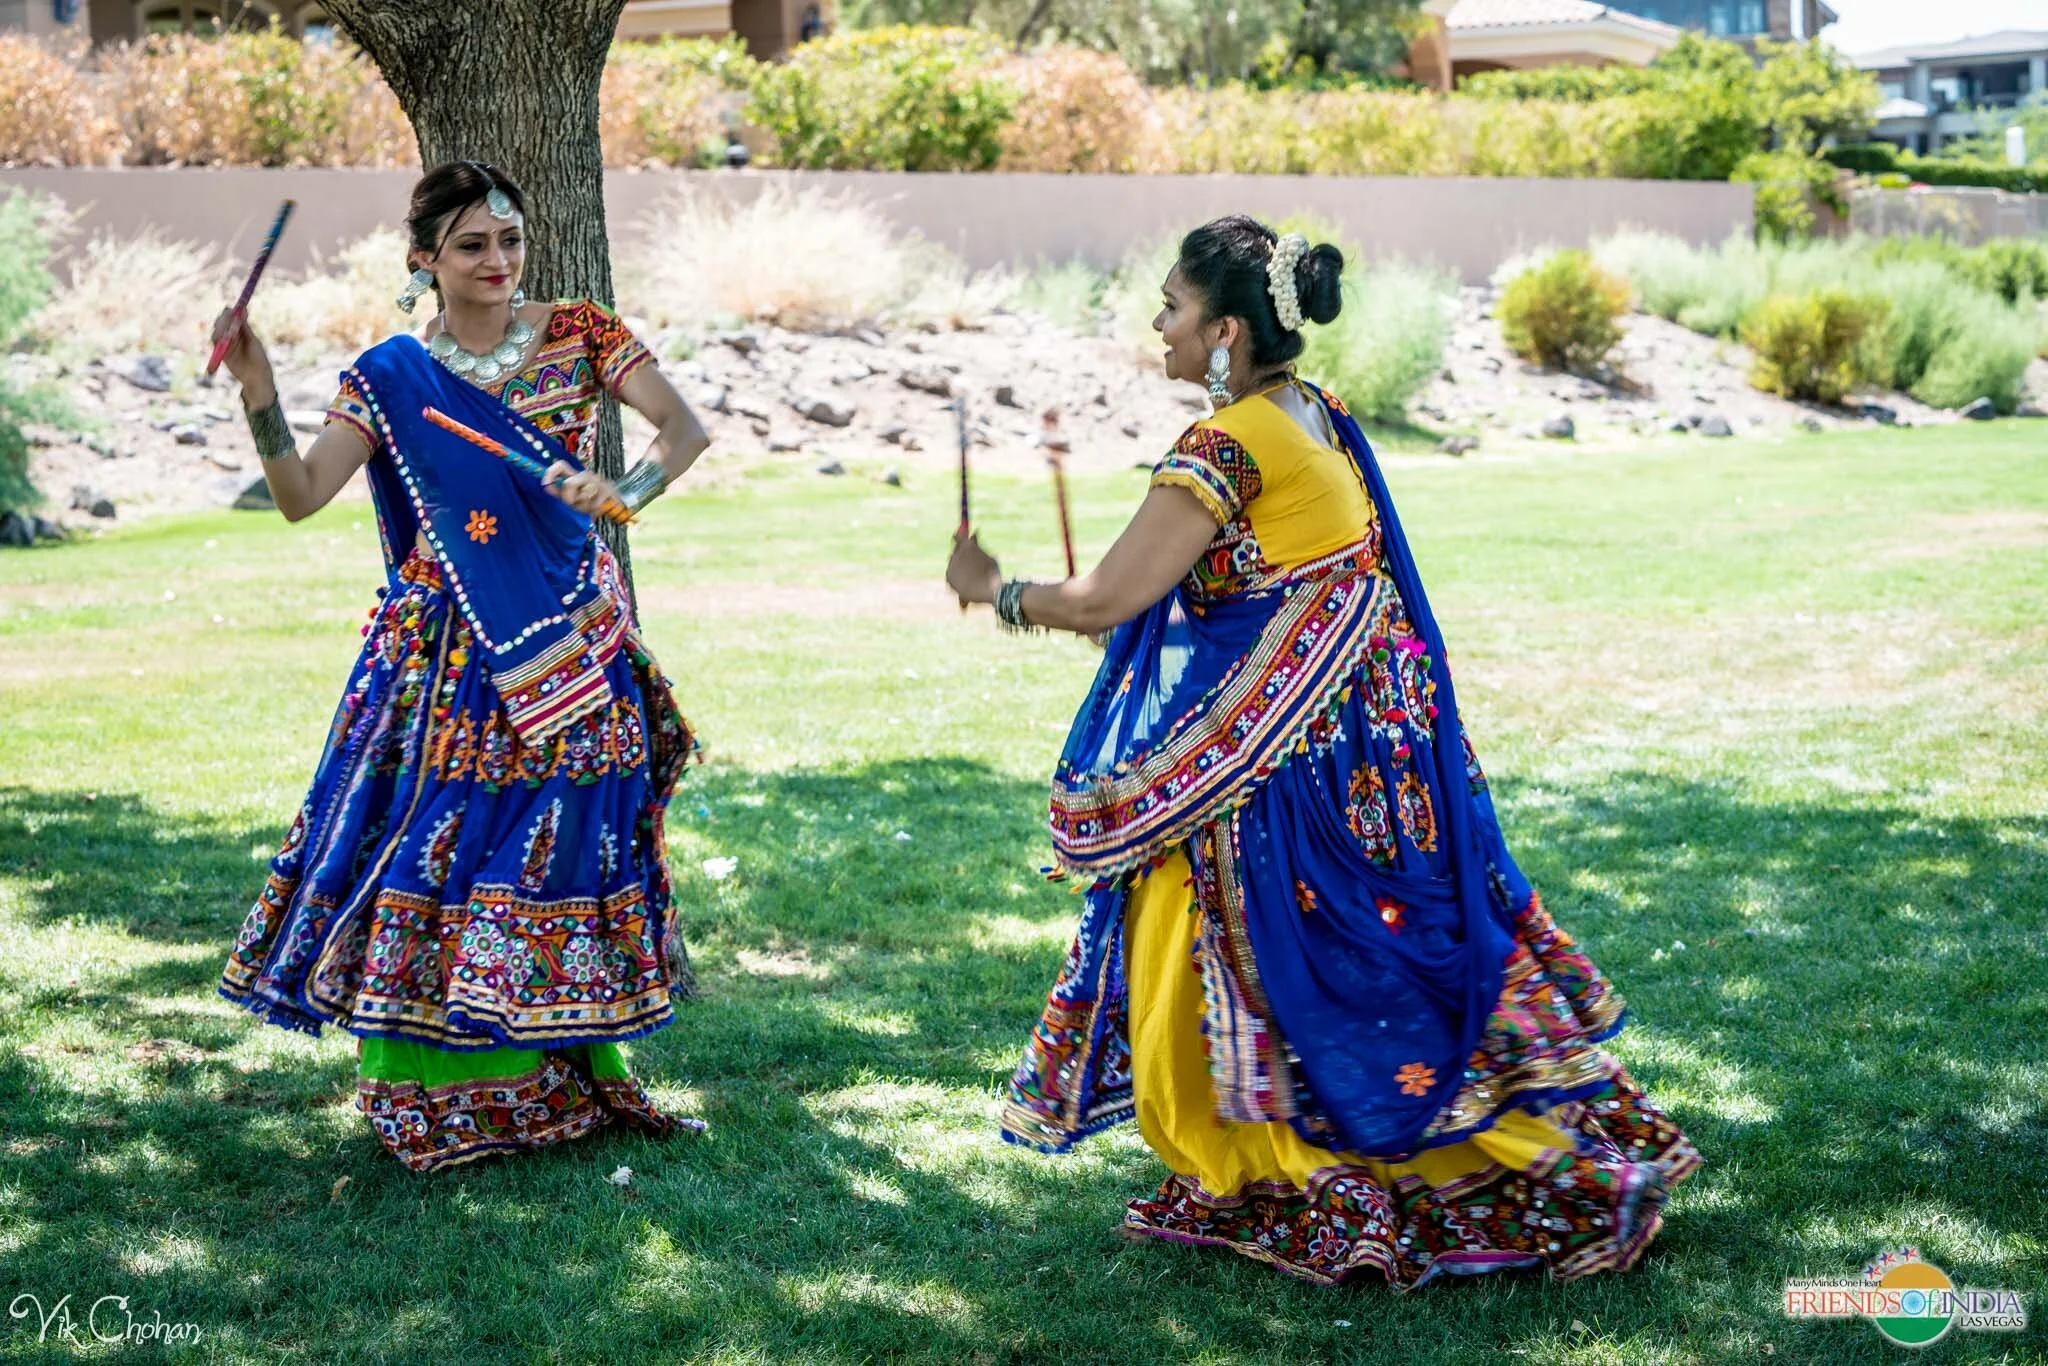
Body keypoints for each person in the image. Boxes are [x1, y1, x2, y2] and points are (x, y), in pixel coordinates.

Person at [946, 215, 1698, 1288]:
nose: (1158, 325)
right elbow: (1259, 594)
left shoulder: (1227, 445)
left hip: (1280, 771)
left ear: (1225, 331)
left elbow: (1109, 598)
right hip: (1353, 749)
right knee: (1351, 953)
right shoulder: (1313, 413)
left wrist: (994, 589)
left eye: (1172, 306)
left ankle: (1315, 1163)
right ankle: (1398, 1145)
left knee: (1249, 948)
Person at [214, 161, 713, 1173]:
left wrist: (622, 494)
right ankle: (432, 1081)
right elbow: (300, 494)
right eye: (473, 245)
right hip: (441, 654)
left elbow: (685, 431)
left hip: (569, 636)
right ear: (424, 260)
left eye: (510, 241)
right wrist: (259, 389)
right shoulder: (392, 376)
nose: (499, 261)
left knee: (565, 845)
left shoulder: (581, 333)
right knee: (432, 847)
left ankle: (561, 1063)